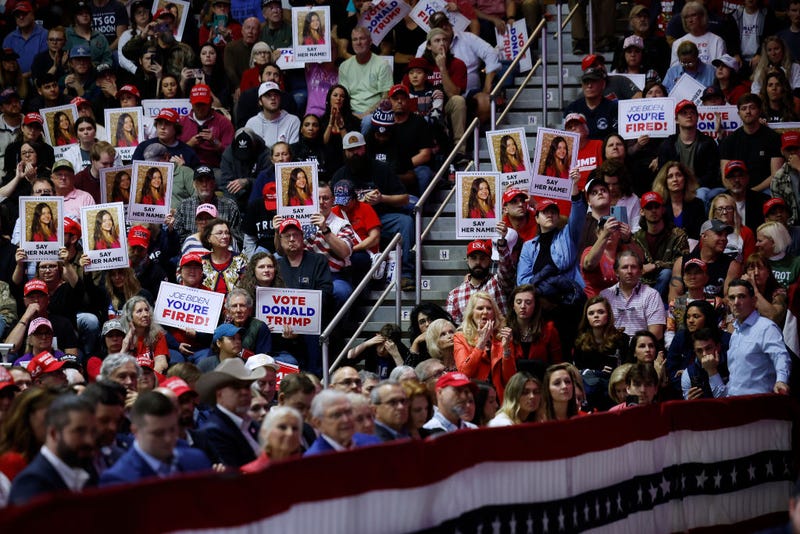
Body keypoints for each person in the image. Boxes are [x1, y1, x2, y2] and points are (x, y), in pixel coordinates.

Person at [99, 391, 211, 486]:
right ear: (135, 430)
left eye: (172, 430)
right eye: (158, 433)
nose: (168, 439)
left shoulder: (197, 460)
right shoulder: (119, 479)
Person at [8, 394, 97, 506]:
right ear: (54, 434)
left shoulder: (86, 469)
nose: (89, 441)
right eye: (79, 431)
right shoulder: (31, 484)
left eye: (93, 432)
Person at [724, 280, 791, 396]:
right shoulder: (735, 333)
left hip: (758, 404)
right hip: (734, 403)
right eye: (732, 298)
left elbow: (780, 355)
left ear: (754, 301)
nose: (736, 302)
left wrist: (781, 380)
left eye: (741, 297)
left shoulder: (766, 327)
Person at [195, 358, 266, 467]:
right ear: (219, 394)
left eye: (247, 386)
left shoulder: (251, 424)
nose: (244, 392)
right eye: (236, 387)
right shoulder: (213, 431)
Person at [495, 284, 561, 400]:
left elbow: (557, 365)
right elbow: (502, 372)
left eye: (528, 302)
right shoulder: (504, 331)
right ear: (513, 305)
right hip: (513, 389)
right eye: (519, 302)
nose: (523, 306)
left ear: (535, 306)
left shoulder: (549, 330)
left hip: (541, 389)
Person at [572, 296, 629, 410]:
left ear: (608, 315)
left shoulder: (621, 339)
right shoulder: (579, 342)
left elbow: (627, 366)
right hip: (590, 388)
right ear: (586, 317)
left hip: (614, 387)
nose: (596, 316)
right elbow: (577, 370)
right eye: (591, 313)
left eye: (600, 312)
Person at [600, 250, 666, 340]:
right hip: (611, 347)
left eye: (634, 267)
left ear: (640, 271)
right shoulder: (605, 295)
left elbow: (656, 333)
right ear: (616, 272)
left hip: (640, 349)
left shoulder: (652, 295)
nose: (629, 271)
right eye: (625, 267)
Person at [446, 238, 514, 325]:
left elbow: (506, 268)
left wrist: (502, 243)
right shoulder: (454, 295)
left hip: (499, 337)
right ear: (467, 260)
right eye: (473, 258)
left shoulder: (498, 282)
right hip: (469, 338)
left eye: (482, 258)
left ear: (489, 261)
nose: (478, 262)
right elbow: (454, 329)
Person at [304, 390, 381, 455]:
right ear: (318, 423)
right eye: (336, 415)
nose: (346, 419)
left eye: (348, 412)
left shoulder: (372, 443)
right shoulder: (312, 460)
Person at [453, 292, 504, 383]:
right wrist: (481, 343)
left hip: (499, 393)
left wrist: (507, 350)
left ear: (494, 313)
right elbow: (464, 373)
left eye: (489, 308)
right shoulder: (460, 337)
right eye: (480, 308)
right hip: (476, 392)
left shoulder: (502, 336)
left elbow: (510, 376)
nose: (485, 312)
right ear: (471, 313)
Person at [652, 160, 705, 240]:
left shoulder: (697, 204)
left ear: (685, 178)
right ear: (665, 181)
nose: (675, 179)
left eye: (678, 175)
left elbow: (701, 234)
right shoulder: (659, 206)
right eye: (670, 176)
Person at [240, 406, 303, 473]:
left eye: (295, 428)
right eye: (282, 427)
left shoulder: (310, 468)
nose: (290, 433)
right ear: (264, 432)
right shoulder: (250, 473)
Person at [121, 296, 168, 374]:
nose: (145, 314)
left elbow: (161, 363)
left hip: (151, 378)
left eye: (146, 310)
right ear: (130, 317)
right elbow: (115, 368)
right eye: (139, 311)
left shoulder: (157, 335)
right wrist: (126, 344)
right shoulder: (120, 335)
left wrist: (149, 380)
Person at [200, 218, 247, 295]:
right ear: (208, 238)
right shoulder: (202, 262)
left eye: (227, 233)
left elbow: (247, 288)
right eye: (219, 233)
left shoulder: (240, 260)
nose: (225, 236)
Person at [756, 221, 800, 288]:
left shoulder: (796, 263)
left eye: (760, 241)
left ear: (773, 242)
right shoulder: (755, 262)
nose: (756, 244)